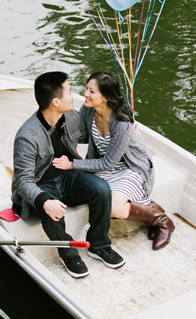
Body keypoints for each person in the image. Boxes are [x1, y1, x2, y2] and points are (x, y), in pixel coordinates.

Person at [11, 71, 125, 278]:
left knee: (101, 189)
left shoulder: (71, 117)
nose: (75, 96)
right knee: (51, 212)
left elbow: (94, 131)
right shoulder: (27, 136)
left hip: (68, 176)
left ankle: (98, 245)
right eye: (70, 92)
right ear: (56, 101)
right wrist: (45, 201)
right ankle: (69, 253)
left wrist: (125, 123)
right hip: (41, 185)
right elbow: (23, 181)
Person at [54, 70, 175, 249]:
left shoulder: (122, 123)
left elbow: (108, 162)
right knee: (94, 196)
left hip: (130, 168)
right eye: (86, 88)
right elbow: (81, 136)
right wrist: (58, 118)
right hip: (104, 167)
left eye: (92, 91)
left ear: (106, 97)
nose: (85, 94)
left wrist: (72, 164)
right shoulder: (88, 110)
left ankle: (161, 221)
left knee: (110, 208)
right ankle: (150, 206)